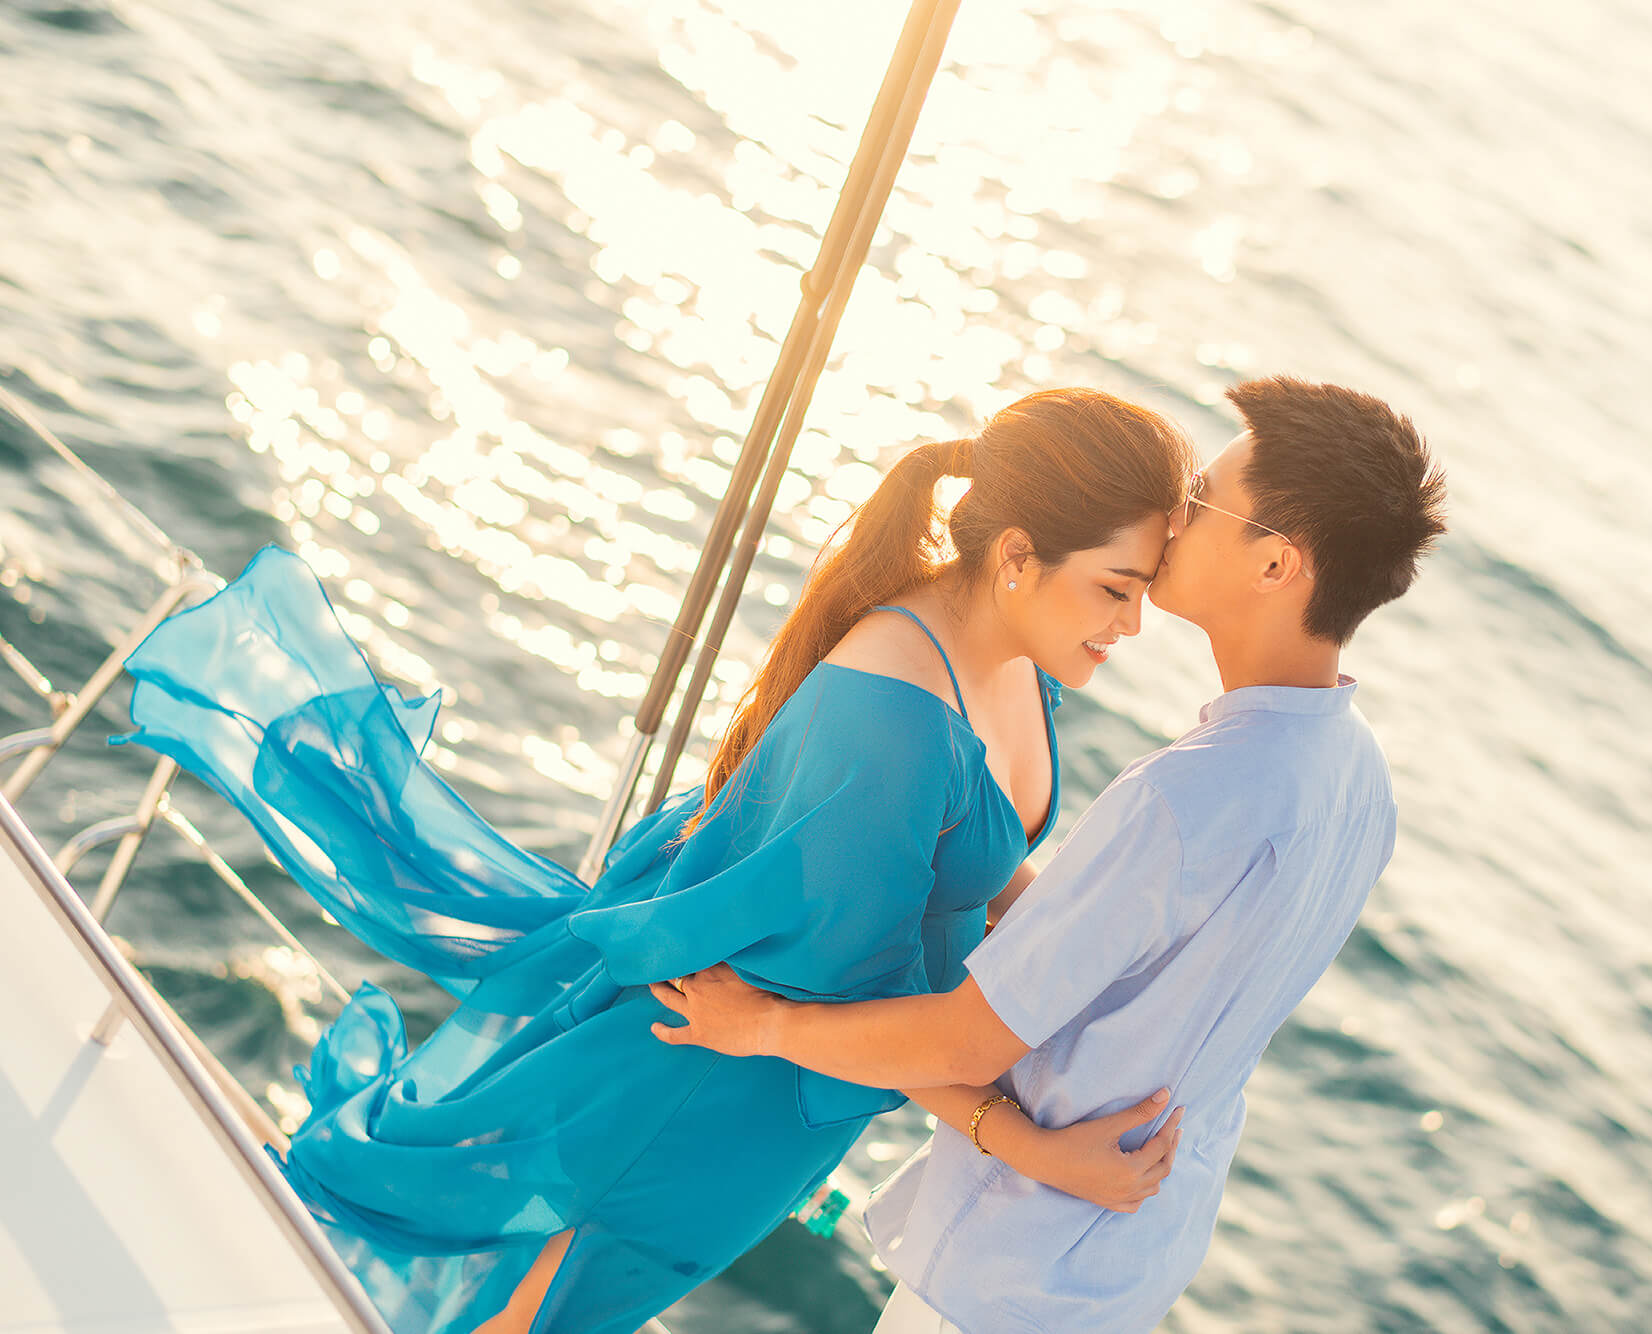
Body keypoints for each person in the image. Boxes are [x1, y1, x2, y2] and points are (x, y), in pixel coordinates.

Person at [112, 387, 1195, 1334]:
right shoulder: (895, 727)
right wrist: (1023, 1144)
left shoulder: (1010, 646)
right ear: (1017, 555)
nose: (1134, 621)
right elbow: (840, 1001)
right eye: (1116, 586)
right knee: (536, 1312)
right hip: (706, 1088)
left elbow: (981, 851)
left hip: (784, 1094)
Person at [653, 375, 1449, 1333]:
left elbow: (964, 1041)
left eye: (1200, 500)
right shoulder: (1359, 782)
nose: (1173, 517)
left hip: (1015, 1266)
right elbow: (1145, 968)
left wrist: (760, 1027)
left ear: (1275, 565)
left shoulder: (1187, 795)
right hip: (1134, 1258)